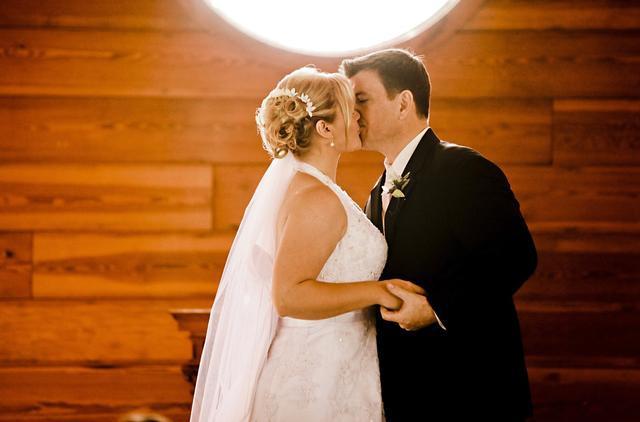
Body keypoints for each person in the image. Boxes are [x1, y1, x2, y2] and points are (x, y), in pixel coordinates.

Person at [189, 66, 422, 421]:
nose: (360, 117)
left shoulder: (315, 189)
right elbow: (288, 296)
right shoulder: (317, 198)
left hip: (339, 365)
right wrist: (378, 292)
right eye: (351, 109)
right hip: (315, 376)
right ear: (325, 128)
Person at [340, 48, 538, 421]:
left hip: (472, 391)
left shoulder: (463, 169)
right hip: (409, 392)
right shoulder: (376, 190)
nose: (352, 113)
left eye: (361, 100)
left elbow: (516, 259)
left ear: (403, 103)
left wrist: (435, 308)